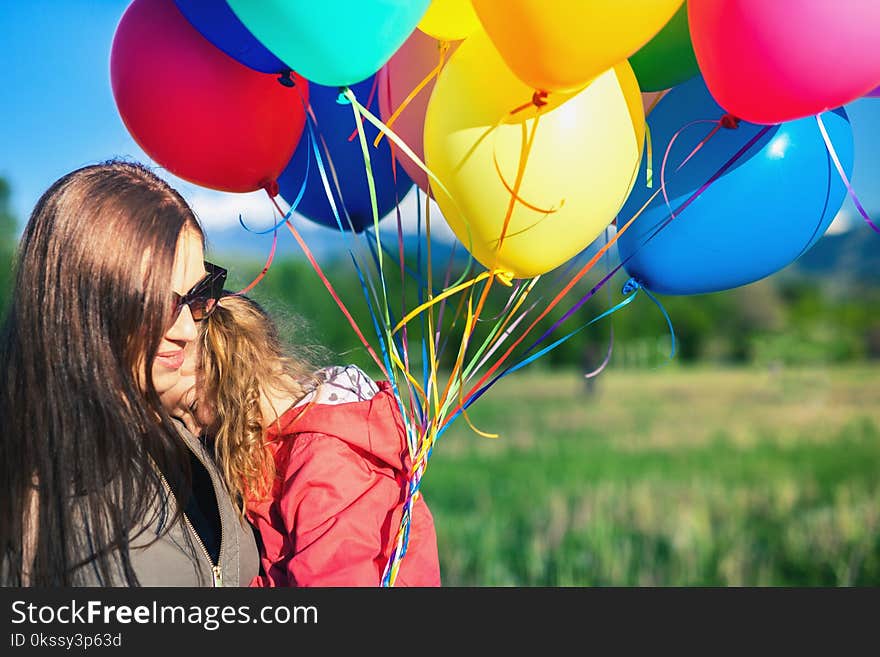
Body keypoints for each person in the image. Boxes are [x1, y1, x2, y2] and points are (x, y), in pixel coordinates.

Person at [0, 160, 259, 586]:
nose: (188, 330)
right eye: (158, 303)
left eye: (198, 295)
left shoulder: (190, 423)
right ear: (81, 308)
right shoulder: (35, 513)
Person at [183, 293, 441, 587]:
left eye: (192, 407)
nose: (191, 429)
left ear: (234, 388)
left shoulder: (323, 461)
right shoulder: (290, 443)